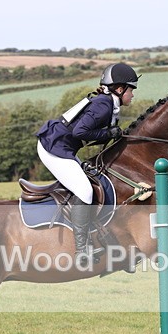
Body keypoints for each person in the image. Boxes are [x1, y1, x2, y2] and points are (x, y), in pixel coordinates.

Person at [35, 62, 139, 264]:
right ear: (120, 89)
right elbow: (79, 132)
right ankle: (82, 250)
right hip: (53, 147)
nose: (133, 94)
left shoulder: (108, 104)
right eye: (131, 89)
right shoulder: (103, 105)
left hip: (64, 147)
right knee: (85, 190)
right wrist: (109, 133)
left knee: (89, 183)